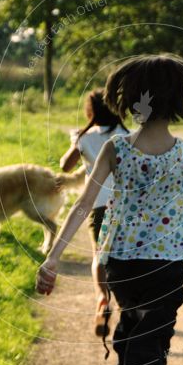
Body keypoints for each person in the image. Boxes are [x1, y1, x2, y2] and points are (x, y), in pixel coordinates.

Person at [36, 54, 183, 365]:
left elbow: (84, 203)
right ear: (177, 101)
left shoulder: (115, 148)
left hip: (122, 265)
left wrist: (53, 258)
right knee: (153, 342)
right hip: (165, 266)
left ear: (131, 101)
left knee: (134, 317)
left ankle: (129, 363)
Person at [58, 89, 130, 337]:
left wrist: (75, 142)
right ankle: (125, 304)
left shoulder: (85, 138)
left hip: (97, 206)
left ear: (91, 112)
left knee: (99, 256)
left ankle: (102, 298)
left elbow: (65, 166)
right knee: (122, 257)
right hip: (126, 208)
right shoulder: (127, 135)